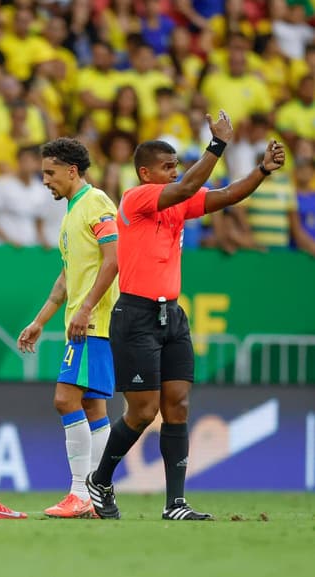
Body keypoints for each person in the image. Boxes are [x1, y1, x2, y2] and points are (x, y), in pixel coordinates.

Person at [86, 111, 286, 520]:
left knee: (177, 406)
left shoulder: (177, 202)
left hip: (172, 317)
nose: (175, 171)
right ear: (145, 173)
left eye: (176, 165)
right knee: (142, 412)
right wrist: (217, 145)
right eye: (167, 167)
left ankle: (175, 503)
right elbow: (191, 185)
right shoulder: (135, 198)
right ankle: (100, 480)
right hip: (136, 315)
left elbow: (227, 195)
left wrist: (262, 170)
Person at [16, 138, 118, 518]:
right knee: (92, 405)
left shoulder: (97, 203)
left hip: (94, 320)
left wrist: (87, 306)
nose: (44, 180)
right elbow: (65, 278)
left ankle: (81, 493)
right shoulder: (72, 212)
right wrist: (39, 321)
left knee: (65, 399)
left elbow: (114, 260)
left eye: (50, 172)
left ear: (72, 171)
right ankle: (98, 494)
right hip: (82, 320)